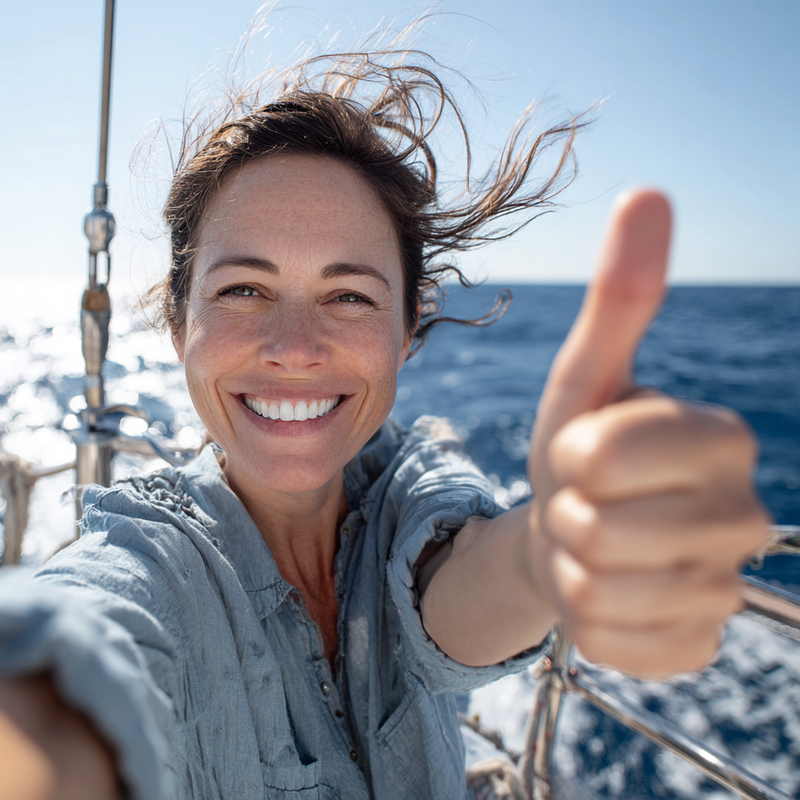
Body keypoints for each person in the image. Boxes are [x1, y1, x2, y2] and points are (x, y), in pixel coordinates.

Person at [0, 51, 768, 800]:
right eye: (242, 290)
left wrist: (548, 553)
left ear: (407, 332)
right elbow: (74, 664)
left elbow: (461, 580)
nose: (294, 348)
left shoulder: (411, 481)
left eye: (350, 297)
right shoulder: (148, 563)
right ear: (179, 326)